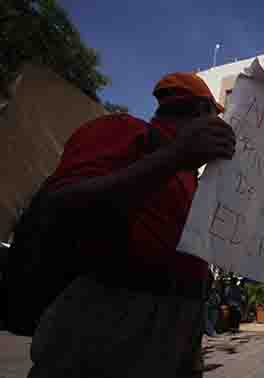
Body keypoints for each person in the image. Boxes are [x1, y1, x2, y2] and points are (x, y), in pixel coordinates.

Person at [27, 72, 236, 378]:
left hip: (180, 322)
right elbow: (59, 206)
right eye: (215, 116)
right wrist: (174, 156)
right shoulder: (122, 129)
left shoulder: (189, 173)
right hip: (115, 316)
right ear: (201, 111)